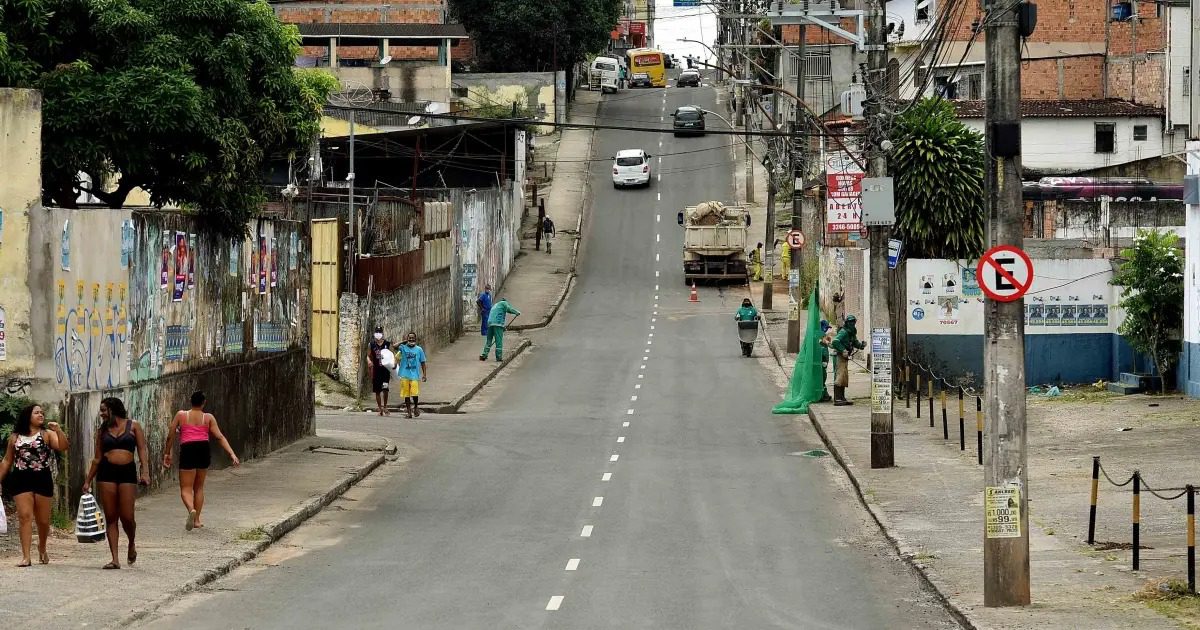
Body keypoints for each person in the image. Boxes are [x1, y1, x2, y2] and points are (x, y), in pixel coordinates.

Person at [82, 397, 150, 569]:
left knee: (127, 517)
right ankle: (115, 559)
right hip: (106, 473)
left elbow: (142, 449)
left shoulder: (133, 426)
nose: (102, 414)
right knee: (111, 516)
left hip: (127, 472)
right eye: (101, 410)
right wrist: (88, 480)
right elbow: (97, 458)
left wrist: (145, 472)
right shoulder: (102, 431)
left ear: (114, 409)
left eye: (104, 410)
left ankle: (131, 543)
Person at [0, 404, 68, 566]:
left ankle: (42, 548)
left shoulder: (47, 434)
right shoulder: (15, 437)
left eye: (42, 413)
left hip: (42, 479)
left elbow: (63, 447)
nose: (41, 415)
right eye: (36, 412)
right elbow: (7, 460)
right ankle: (26, 556)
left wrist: (58, 430)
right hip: (21, 479)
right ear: (27, 416)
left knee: (43, 521)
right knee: (24, 517)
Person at [162, 391, 240, 531]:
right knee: (198, 487)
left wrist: (167, 453)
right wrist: (232, 453)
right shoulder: (208, 417)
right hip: (203, 450)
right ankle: (197, 520)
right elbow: (219, 437)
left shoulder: (181, 415)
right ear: (204, 403)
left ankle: (191, 510)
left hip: (188, 450)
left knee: (186, 489)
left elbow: (170, 435)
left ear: (190, 401)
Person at [830, 315, 866, 406]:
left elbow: (855, 342)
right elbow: (835, 342)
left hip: (845, 357)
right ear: (847, 323)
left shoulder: (852, 332)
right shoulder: (843, 332)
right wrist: (843, 350)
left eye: (853, 322)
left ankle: (842, 398)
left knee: (844, 378)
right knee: (840, 376)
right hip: (839, 356)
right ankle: (837, 398)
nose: (852, 324)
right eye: (850, 322)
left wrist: (861, 345)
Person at [396, 332, 428, 418]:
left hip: (414, 375)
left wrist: (424, 375)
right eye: (409, 338)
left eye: (413, 338)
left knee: (414, 393)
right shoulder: (403, 348)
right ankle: (409, 412)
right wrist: (404, 341)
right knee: (406, 395)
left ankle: (416, 407)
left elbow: (423, 363)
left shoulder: (419, 349)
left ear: (415, 339)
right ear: (407, 339)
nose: (411, 339)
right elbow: (394, 346)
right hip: (404, 374)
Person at [481, 297, 521, 362]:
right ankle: (499, 357)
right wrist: (516, 312)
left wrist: (503, 328)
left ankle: (484, 355)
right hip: (498, 323)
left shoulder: (495, 305)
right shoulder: (504, 303)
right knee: (498, 341)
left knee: (489, 340)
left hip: (490, 323)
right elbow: (509, 309)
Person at [365, 326, 392, 416]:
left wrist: (394, 364)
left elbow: (392, 355)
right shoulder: (371, 344)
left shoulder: (387, 344)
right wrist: (369, 361)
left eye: (379, 331)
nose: (378, 333)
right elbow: (368, 355)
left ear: (382, 333)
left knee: (385, 389)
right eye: (377, 331)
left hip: (385, 370)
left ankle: (385, 406)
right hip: (376, 370)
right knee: (377, 391)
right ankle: (380, 408)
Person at [817, 320, 834, 402]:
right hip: (822, 359)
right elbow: (825, 341)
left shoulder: (824, 335)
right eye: (826, 328)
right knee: (822, 377)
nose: (827, 329)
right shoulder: (820, 335)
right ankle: (823, 395)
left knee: (823, 377)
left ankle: (824, 394)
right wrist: (828, 343)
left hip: (824, 359)